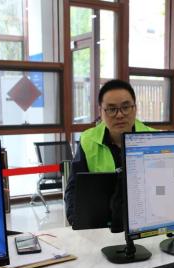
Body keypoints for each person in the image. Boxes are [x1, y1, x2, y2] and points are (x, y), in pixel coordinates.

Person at [64, 79, 155, 226]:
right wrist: (77, 221)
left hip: (147, 223)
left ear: (135, 108)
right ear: (100, 111)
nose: (119, 115)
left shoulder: (154, 139)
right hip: (102, 224)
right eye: (111, 109)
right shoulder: (88, 140)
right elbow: (74, 189)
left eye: (126, 107)